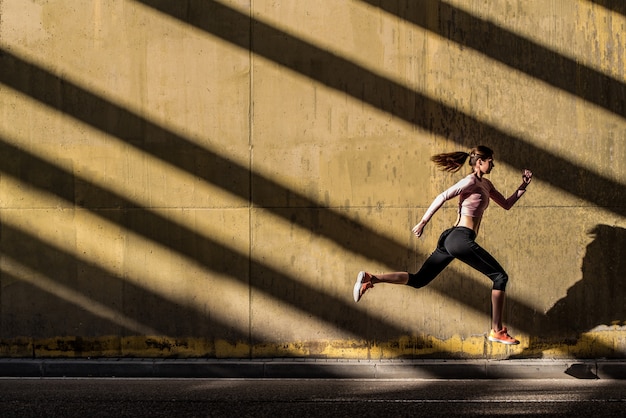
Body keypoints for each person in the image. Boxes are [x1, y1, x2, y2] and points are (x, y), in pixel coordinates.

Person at [353, 146, 532, 345]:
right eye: (491, 160)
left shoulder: (486, 185)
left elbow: (506, 204)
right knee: (500, 276)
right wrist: (423, 222)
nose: (493, 164)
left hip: (450, 239)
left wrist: (523, 186)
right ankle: (497, 330)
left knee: (419, 280)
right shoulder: (470, 180)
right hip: (460, 238)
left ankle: (371, 279)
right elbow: (443, 196)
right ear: (480, 162)